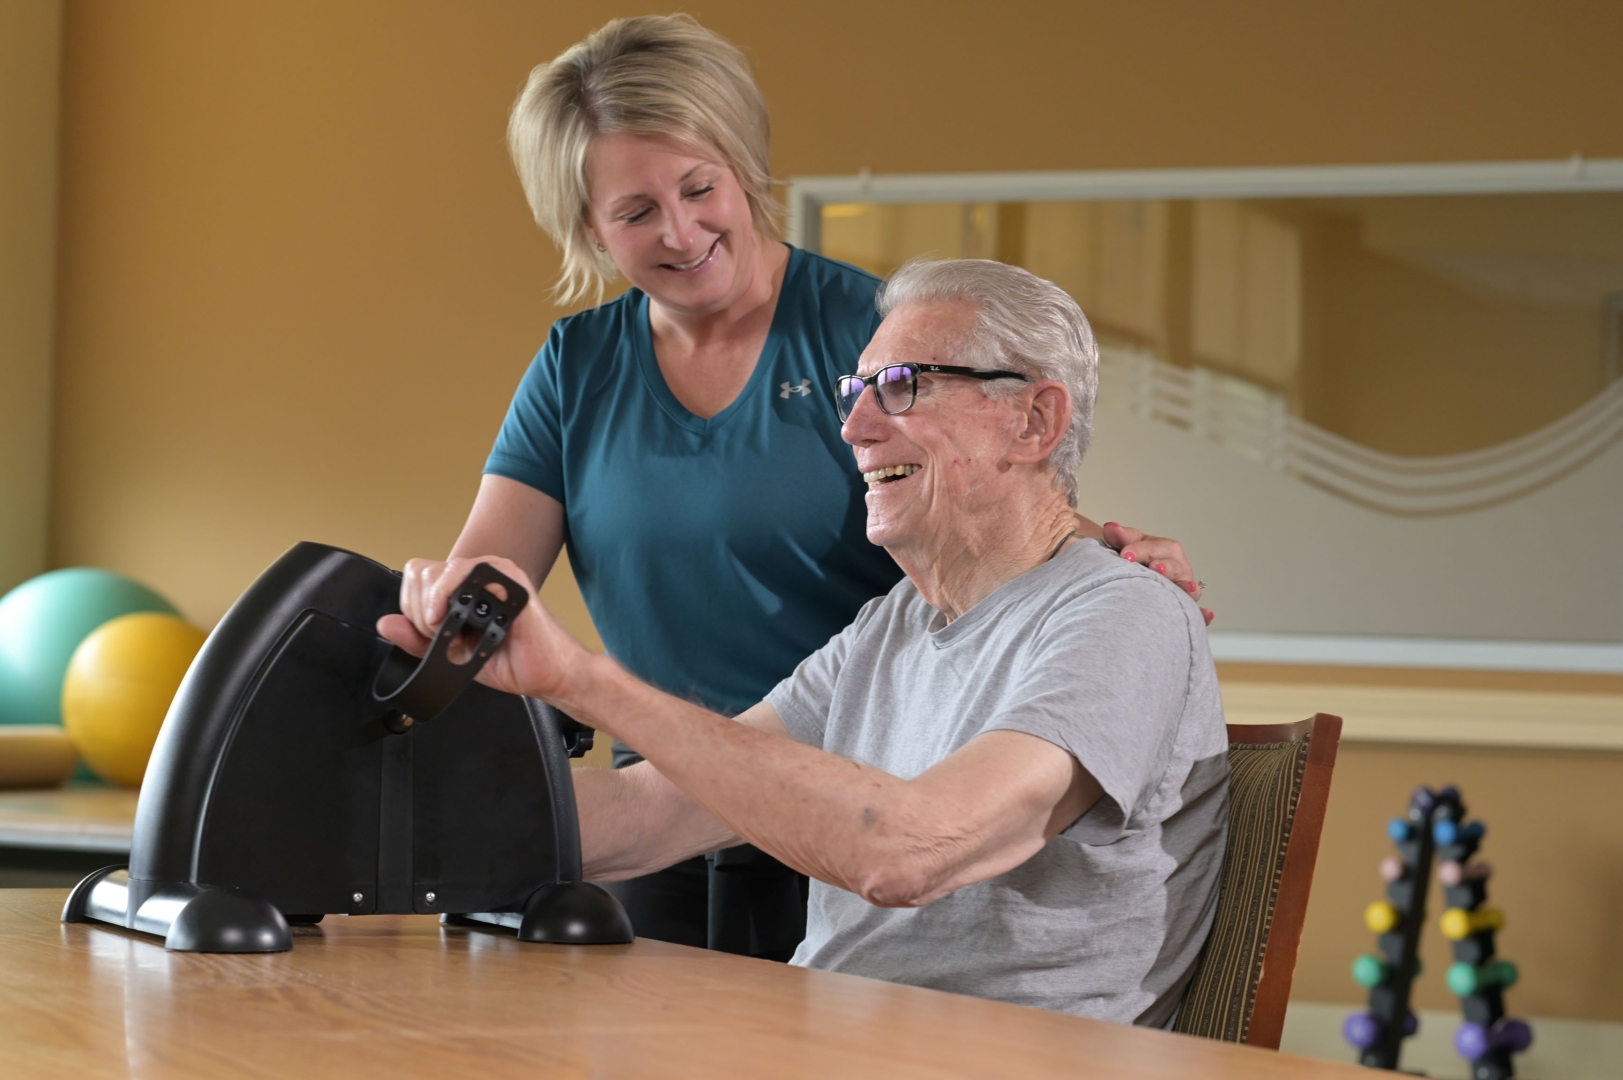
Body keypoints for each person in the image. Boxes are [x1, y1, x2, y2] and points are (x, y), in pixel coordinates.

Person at [447, 13, 1209, 961]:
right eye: (635, 212)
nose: (680, 231)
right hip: (692, 791)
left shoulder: (876, 330)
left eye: (699, 188)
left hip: (865, 801)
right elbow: (487, 602)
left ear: (743, 170)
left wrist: (1112, 565)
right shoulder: (582, 366)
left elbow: (1000, 500)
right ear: (589, 229)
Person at [383, 258, 1228, 1024]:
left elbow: (909, 852)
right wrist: (371, 819)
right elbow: (650, 813)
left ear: (1034, 421)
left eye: (900, 386)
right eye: (853, 392)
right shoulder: (890, 625)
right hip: (827, 1040)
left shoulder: (1123, 614)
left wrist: (580, 681)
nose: (853, 427)